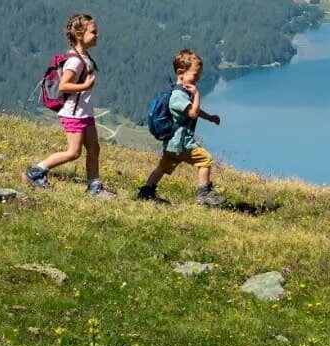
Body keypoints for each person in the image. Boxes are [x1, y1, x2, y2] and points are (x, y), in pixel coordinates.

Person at [24, 13, 116, 197]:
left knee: (94, 149)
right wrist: (85, 86)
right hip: (73, 114)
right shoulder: (75, 61)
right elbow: (64, 85)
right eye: (94, 32)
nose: (97, 35)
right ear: (79, 34)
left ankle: (94, 186)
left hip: (84, 113)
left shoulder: (84, 57)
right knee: (74, 152)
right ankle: (35, 172)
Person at [137, 49, 224, 207]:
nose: (198, 79)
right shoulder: (178, 96)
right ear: (180, 72)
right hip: (182, 144)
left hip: (172, 144)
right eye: (195, 75)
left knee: (162, 167)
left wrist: (210, 117)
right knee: (205, 160)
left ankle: (146, 191)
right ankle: (203, 194)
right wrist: (197, 94)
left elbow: (193, 111)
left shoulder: (181, 93)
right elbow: (192, 112)